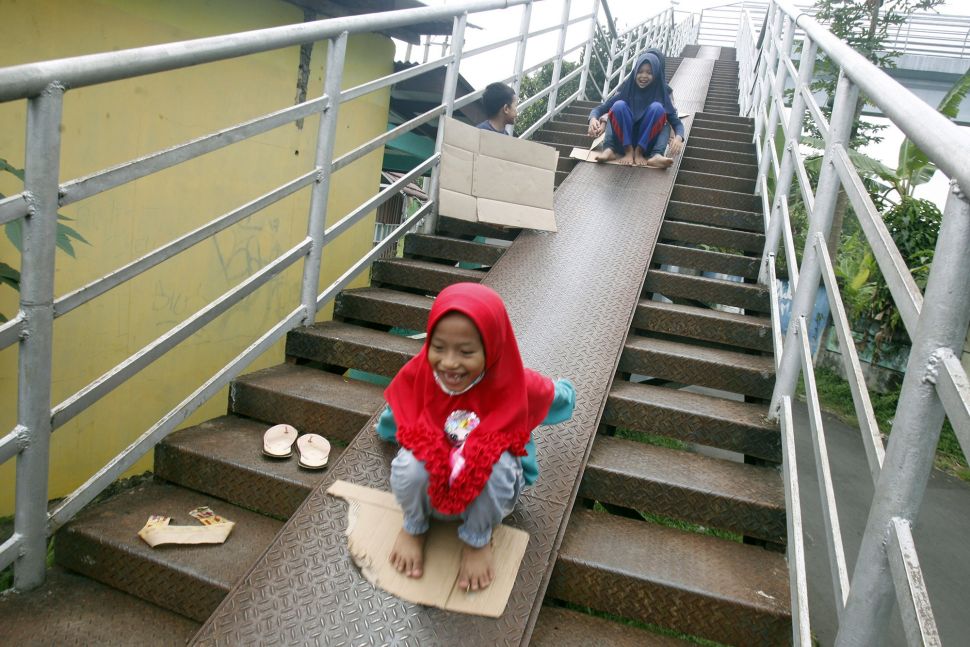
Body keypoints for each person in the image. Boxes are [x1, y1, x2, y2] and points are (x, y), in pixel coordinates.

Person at [375, 283, 575, 592]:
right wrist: (386, 431)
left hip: (489, 495)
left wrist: (567, 390)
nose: (450, 363)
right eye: (438, 348)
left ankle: (476, 540)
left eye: (466, 352)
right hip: (433, 490)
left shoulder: (514, 382)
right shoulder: (421, 375)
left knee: (496, 463)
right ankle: (414, 526)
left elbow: (556, 398)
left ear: (492, 347)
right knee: (410, 462)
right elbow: (398, 410)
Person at [587, 50, 685, 167]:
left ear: (656, 74)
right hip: (623, 143)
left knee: (659, 110)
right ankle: (613, 150)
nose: (644, 76)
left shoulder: (662, 94)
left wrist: (679, 138)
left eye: (649, 72)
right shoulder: (627, 90)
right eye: (640, 71)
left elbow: (677, 123)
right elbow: (600, 109)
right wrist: (593, 119)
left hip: (646, 144)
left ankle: (653, 155)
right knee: (617, 106)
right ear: (635, 72)